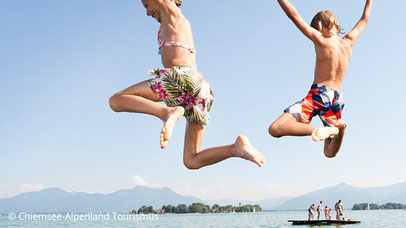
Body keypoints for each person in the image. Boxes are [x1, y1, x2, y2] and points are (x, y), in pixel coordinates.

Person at [109, 0, 265, 169]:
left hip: (182, 79)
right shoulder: (176, 21)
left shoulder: (172, 14)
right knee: (191, 160)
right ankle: (236, 148)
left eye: (147, 5)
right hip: (201, 89)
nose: (147, 13)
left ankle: (166, 112)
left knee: (117, 100)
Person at [269, 0, 373, 158]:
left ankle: (324, 129)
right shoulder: (348, 43)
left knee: (275, 128)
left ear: (319, 26)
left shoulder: (321, 40)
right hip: (337, 99)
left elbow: (293, 15)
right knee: (328, 152)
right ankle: (339, 131)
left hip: (319, 94)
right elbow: (364, 18)